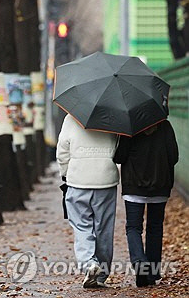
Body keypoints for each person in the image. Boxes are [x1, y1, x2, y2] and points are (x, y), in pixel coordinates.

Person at [57, 114, 119, 288]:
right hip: (105, 180)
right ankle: (101, 276)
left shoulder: (71, 117)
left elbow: (62, 149)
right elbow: (117, 147)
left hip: (78, 180)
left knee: (82, 225)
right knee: (104, 229)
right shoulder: (114, 117)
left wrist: (65, 172)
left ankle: (89, 263)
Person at [113, 120, 178, 287]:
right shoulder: (165, 126)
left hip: (134, 186)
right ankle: (152, 273)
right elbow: (174, 156)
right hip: (160, 184)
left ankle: (140, 262)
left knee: (134, 227)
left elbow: (119, 157)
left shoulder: (129, 127)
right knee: (155, 228)